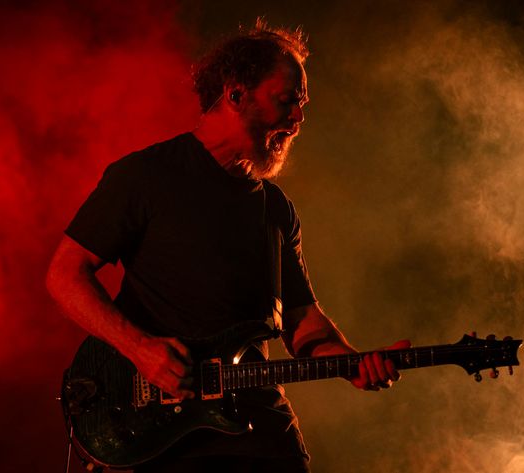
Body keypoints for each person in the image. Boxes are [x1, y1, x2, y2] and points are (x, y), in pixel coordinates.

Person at [46, 19, 408, 473]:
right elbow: (64, 274)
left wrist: (352, 362)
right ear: (236, 94)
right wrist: (140, 349)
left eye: (302, 105)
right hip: (162, 435)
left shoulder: (275, 209)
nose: (298, 121)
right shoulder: (146, 177)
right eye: (287, 102)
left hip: (260, 433)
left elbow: (303, 324)